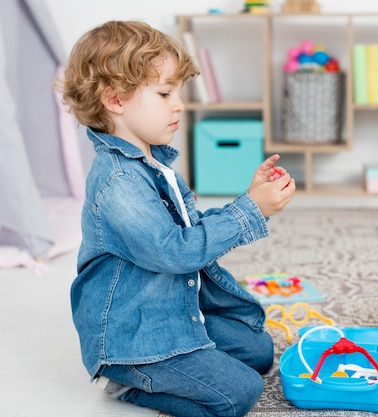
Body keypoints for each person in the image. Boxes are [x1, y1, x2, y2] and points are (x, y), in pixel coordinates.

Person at [61, 20, 296, 417]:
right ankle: (129, 383)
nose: (180, 105)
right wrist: (250, 211)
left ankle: (177, 361)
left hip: (171, 312)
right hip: (135, 336)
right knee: (239, 392)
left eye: (179, 93)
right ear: (115, 100)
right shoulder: (118, 181)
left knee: (258, 350)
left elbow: (188, 230)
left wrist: (248, 197)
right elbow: (175, 252)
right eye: (165, 93)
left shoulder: (153, 163)